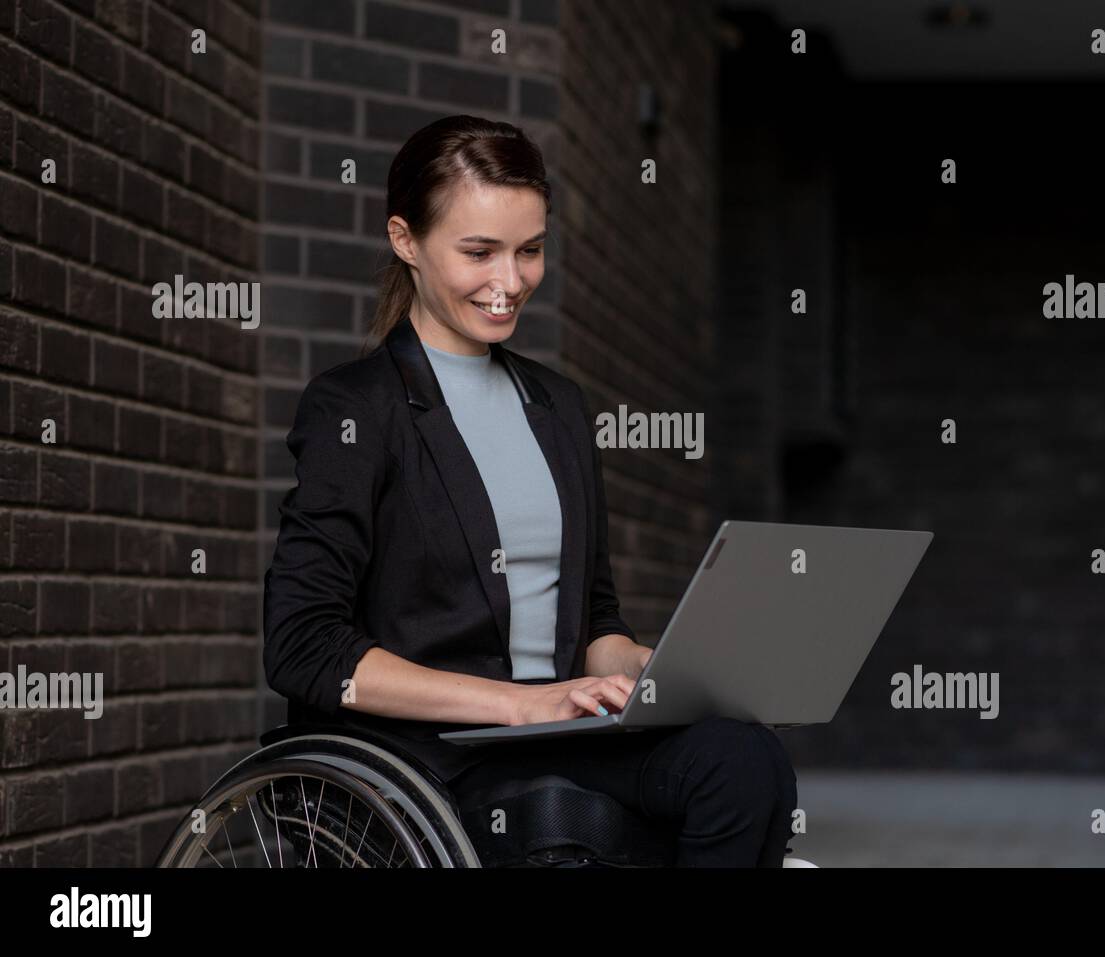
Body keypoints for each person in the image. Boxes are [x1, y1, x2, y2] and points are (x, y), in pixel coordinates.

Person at [262, 115, 798, 867]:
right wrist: (518, 704)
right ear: (405, 240)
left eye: (530, 251)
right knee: (567, 812)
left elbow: (593, 617)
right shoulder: (356, 409)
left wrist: (646, 668)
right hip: (434, 756)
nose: (509, 282)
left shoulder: (559, 408)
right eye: (479, 252)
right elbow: (304, 646)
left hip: (557, 734)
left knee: (745, 762)